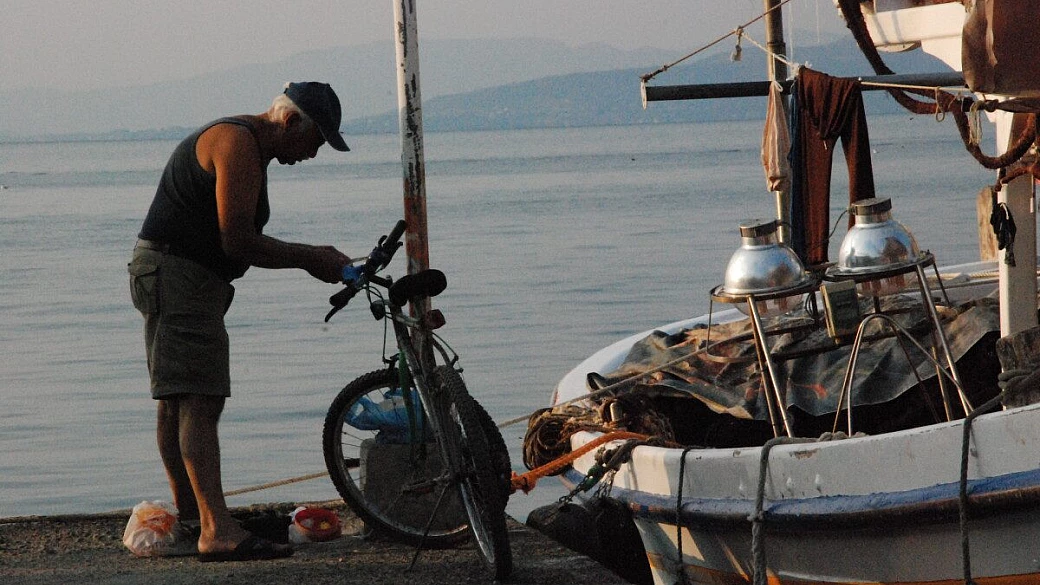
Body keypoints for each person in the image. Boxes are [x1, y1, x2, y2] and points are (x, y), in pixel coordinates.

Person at [127, 82, 352, 562]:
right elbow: (237, 240)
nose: (312, 155)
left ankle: (195, 520)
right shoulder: (238, 144)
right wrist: (311, 257)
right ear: (290, 122)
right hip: (179, 273)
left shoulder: (247, 144)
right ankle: (215, 530)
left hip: (175, 274)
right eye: (315, 141)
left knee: (178, 401)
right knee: (200, 400)